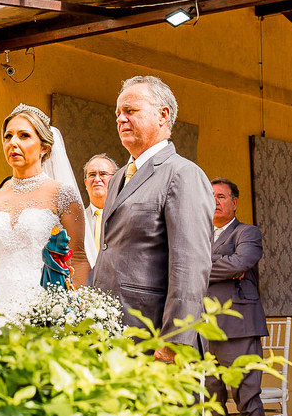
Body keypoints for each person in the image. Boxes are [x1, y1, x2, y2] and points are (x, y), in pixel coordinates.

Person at [90, 76, 213, 359]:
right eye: (118, 113)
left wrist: (175, 340)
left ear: (163, 115)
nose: (121, 119)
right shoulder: (119, 176)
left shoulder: (183, 174)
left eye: (130, 111)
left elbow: (190, 265)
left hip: (156, 340)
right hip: (112, 337)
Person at [0, 105, 88, 335]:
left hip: (43, 314)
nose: (12, 143)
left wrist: (75, 313)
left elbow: (77, 259)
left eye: (24, 135)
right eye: (8, 136)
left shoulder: (63, 196)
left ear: (44, 147)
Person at [204, 177, 268, 416]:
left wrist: (202, 268)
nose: (215, 201)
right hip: (203, 330)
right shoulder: (200, 235)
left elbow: (241, 263)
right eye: (211, 196)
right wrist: (222, 266)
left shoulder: (247, 232)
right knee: (212, 399)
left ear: (234, 202)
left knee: (247, 397)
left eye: (221, 196)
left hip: (239, 328)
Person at [82, 154, 118, 267]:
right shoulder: (77, 220)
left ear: (115, 180)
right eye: (92, 175)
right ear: (85, 182)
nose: (97, 179)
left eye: (103, 174)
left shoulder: (127, 217)